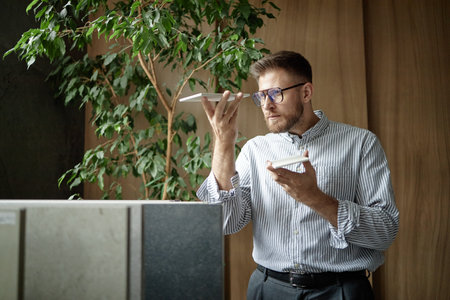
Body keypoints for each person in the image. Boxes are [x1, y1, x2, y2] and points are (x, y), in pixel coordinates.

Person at [197, 51, 399, 299]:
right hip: (268, 289)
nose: (266, 105)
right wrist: (223, 144)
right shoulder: (255, 150)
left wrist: (315, 198)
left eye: (276, 93)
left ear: (306, 92)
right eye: (261, 96)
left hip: (341, 290)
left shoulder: (360, 143)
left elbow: (385, 232)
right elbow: (225, 222)